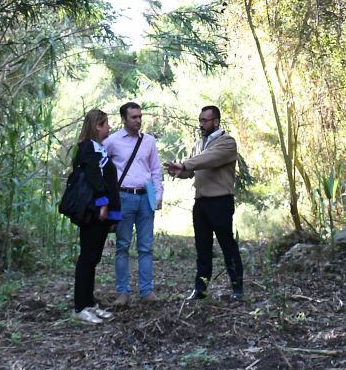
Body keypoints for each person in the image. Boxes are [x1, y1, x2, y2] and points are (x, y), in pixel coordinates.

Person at [165, 105, 244, 302]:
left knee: (227, 244)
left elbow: (209, 159)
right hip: (200, 202)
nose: (201, 124)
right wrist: (178, 171)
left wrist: (185, 165)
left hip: (220, 201)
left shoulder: (226, 142)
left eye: (205, 121)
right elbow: (191, 170)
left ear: (216, 121)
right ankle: (200, 289)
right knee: (202, 247)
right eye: (200, 120)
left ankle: (237, 288)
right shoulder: (198, 145)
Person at [104, 101, 162, 307]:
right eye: (134, 117)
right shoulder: (112, 141)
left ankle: (147, 291)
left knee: (146, 247)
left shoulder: (149, 141)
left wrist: (158, 195)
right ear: (124, 119)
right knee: (122, 246)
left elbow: (155, 169)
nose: (138, 120)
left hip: (146, 196)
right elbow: (102, 167)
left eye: (140, 116)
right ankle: (122, 293)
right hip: (124, 197)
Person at [71, 108, 121, 325]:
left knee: (93, 259)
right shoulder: (88, 147)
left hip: (100, 211)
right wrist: (102, 204)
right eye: (106, 123)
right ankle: (81, 307)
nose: (109, 127)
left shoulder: (98, 148)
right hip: (92, 211)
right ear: (97, 126)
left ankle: (89, 302)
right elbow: (93, 175)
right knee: (87, 258)